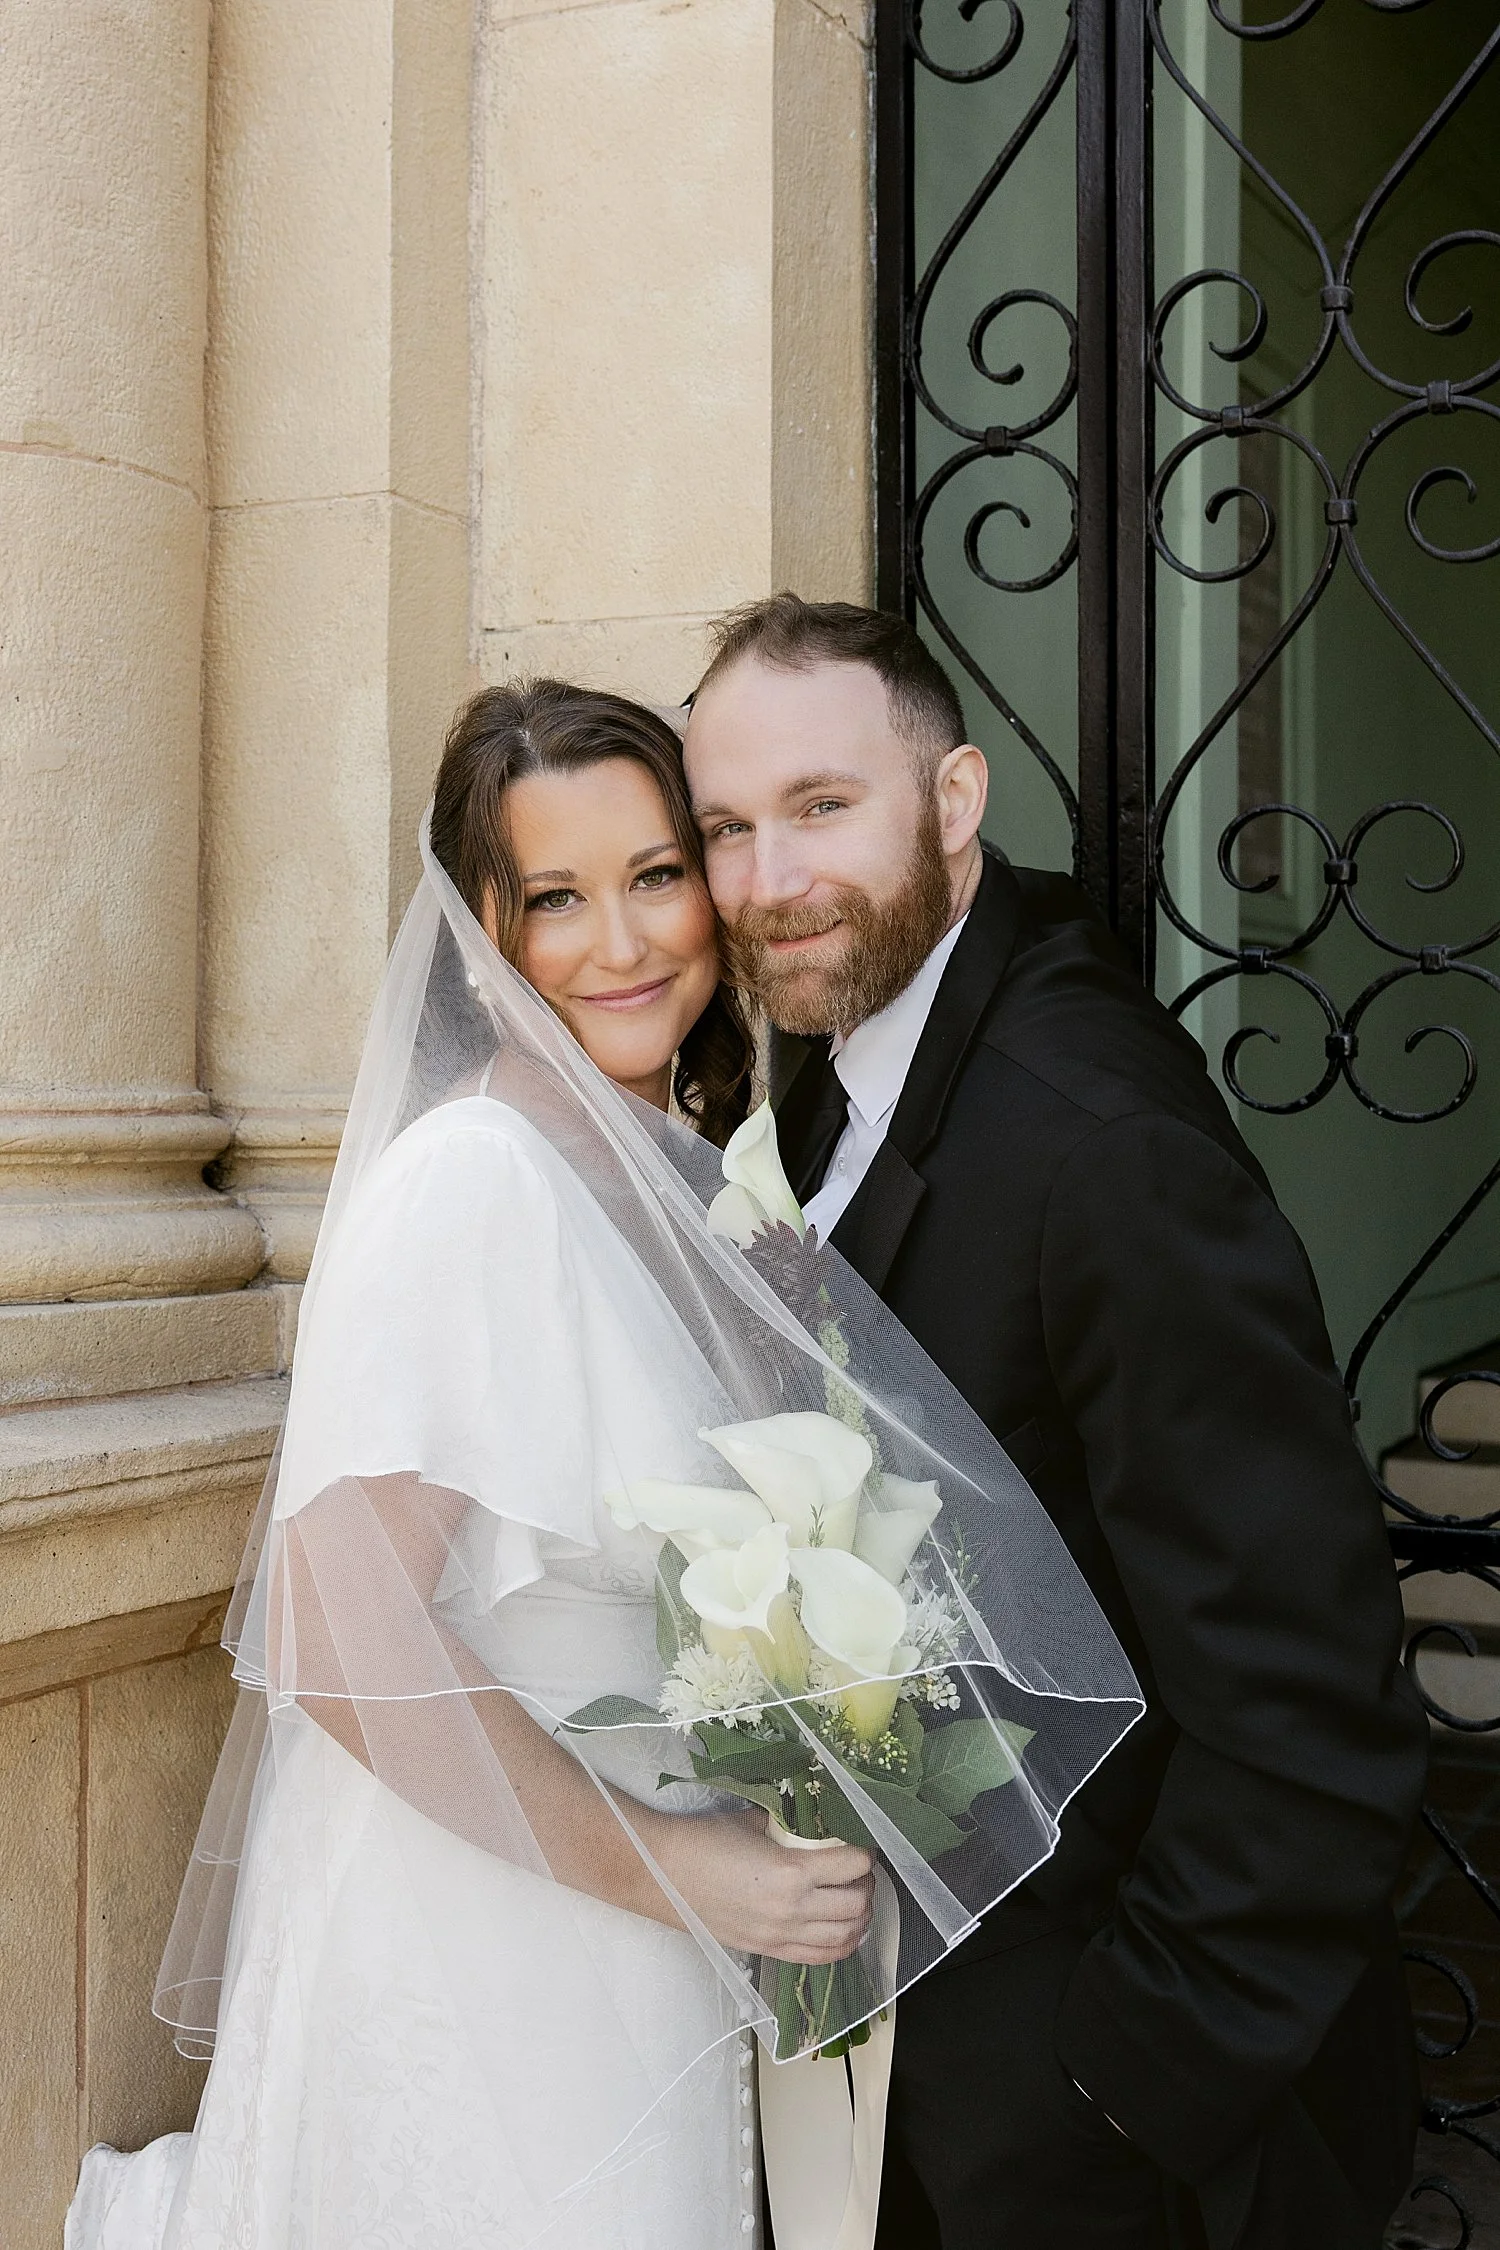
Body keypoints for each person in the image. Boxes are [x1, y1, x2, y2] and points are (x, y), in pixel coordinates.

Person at [67, 680, 1139, 2250]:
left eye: (653, 875)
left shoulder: (653, 1166)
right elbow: (335, 1626)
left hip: (638, 1940)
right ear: (481, 931)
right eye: (555, 898)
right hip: (489, 1952)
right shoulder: (472, 1178)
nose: (624, 943)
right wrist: (686, 1874)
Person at [682, 593, 1431, 2250]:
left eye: (822, 807)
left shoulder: (1096, 1142)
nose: (766, 881)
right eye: (726, 827)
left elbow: (1308, 1686)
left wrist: (1115, 2085)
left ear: (953, 804)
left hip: (1127, 2136)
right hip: (931, 2078)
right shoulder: (838, 1070)